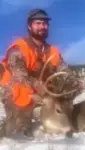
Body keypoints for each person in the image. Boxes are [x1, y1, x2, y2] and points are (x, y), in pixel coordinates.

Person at [0, 8, 66, 137]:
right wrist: (37, 85)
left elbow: (63, 69)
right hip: (17, 93)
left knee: (64, 111)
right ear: (29, 26)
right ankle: (11, 125)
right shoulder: (18, 48)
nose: (42, 26)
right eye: (38, 23)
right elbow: (20, 75)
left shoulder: (52, 50)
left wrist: (73, 81)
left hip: (43, 93)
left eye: (45, 23)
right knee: (20, 132)